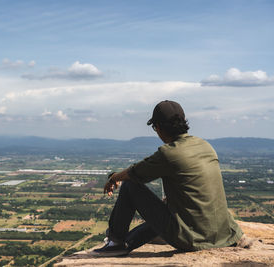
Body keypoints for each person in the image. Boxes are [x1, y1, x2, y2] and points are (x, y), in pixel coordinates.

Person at [93, 100, 245, 257]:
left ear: (158, 127)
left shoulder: (169, 153)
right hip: (225, 235)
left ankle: (116, 242)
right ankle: (127, 243)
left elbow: (134, 173)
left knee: (129, 187)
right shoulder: (205, 146)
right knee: (165, 207)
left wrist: (113, 178)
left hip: (192, 239)